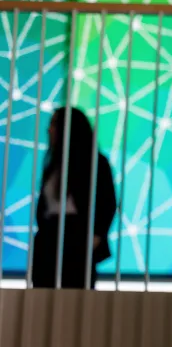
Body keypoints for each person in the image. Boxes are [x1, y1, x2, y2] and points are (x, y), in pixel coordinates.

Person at [32, 107, 118, 289]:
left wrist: (96, 236)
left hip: (78, 241)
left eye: (54, 124)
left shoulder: (96, 162)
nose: (49, 130)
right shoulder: (53, 163)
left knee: (76, 302)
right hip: (48, 242)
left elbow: (107, 202)